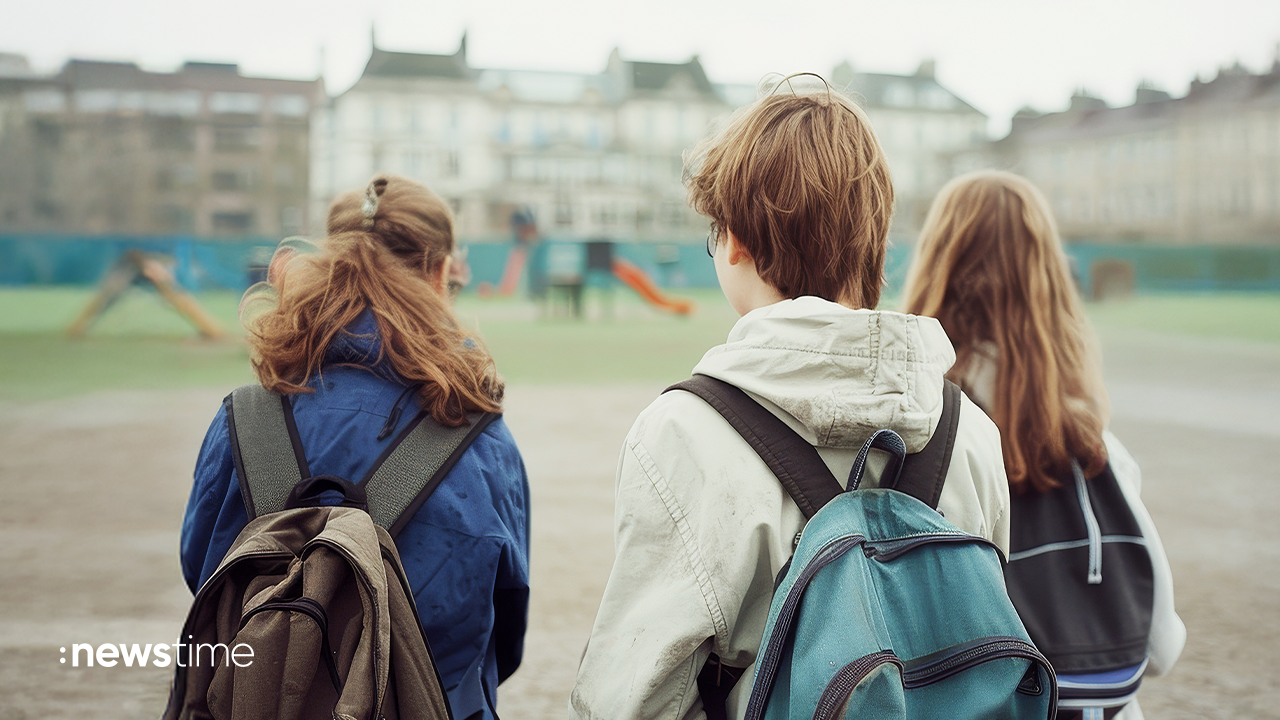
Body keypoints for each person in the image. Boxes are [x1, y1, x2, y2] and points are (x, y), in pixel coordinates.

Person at [569, 78, 1011, 720]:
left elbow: (637, 696)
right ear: (874, 241)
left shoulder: (683, 431)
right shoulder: (970, 430)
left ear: (735, 240)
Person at [180, 174, 531, 720]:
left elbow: (204, 571)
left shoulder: (246, 419)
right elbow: (502, 617)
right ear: (442, 272)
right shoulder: (477, 432)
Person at [900, 170, 1185, 720]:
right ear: (1049, 283)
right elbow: (1160, 646)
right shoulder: (1095, 448)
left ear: (935, 266)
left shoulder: (909, 442)